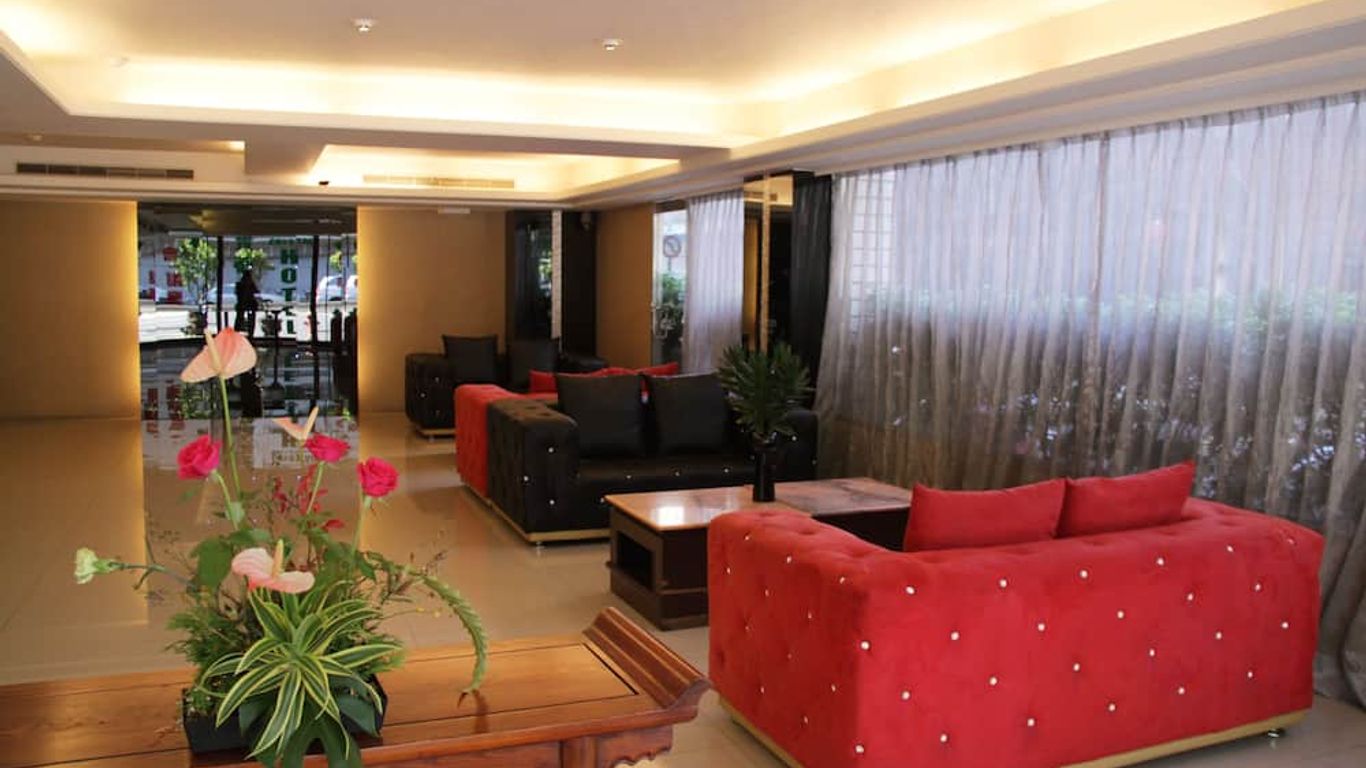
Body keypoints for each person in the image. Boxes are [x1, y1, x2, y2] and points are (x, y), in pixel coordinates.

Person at [235, 269, 260, 336]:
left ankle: (237, 332)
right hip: (250, 304)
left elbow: (237, 294)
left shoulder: (239, 284)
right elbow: (256, 291)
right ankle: (250, 333)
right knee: (250, 319)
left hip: (242, 305)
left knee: (239, 318)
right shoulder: (251, 284)